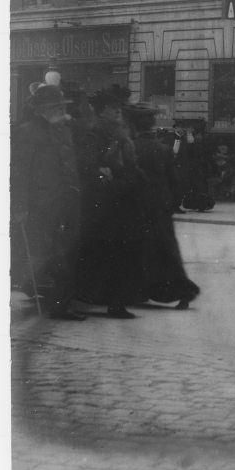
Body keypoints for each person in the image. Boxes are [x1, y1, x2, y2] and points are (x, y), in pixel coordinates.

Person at [10, 82, 85, 320]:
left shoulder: (58, 130)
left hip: (61, 204)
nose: (61, 111)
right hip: (40, 206)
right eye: (56, 106)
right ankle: (59, 304)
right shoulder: (27, 132)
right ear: (43, 108)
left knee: (56, 253)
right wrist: (20, 206)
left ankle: (56, 300)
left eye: (61, 106)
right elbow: (20, 173)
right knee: (48, 255)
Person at [73, 87, 145, 319]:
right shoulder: (95, 134)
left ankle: (114, 301)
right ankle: (109, 302)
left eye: (118, 110)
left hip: (119, 200)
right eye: (114, 110)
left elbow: (128, 166)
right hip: (103, 204)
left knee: (116, 254)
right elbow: (90, 167)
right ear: (103, 111)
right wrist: (105, 173)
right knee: (107, 254)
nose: (118, 114)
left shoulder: (119, 133)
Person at [125, 104, 200, 309]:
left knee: (138, 250)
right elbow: (175, 182)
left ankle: (138, 290)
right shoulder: (163, 149)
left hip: (137, 205)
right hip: (159, 206)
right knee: (165, 250)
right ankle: (181, 291)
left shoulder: (129, 147)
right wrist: (169, 202)